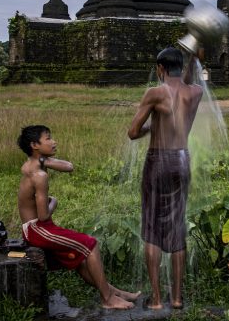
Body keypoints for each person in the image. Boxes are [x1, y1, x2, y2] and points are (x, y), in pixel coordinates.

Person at [17, 125, 140, 310]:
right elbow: (43, 216)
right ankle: (107, 299)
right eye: (48, 138)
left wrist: (45, 159)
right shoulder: (39, 175)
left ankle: (116, 293)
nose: (54, 141)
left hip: (36, 227)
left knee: (80, 259)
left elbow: (69, 167)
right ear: (35, 145)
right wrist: (54, 202)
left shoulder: (34, 164)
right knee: (90, 244)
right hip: (38, 229)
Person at [127, 47, 203, 310]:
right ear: (179, 68)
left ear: (160, 68)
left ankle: (157, 300)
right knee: (177, 227)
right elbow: (190, 80)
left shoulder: (155, 93)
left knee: (152, 229)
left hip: (158, 161)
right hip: (182, 161)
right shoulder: (195, 92)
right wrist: (193, 59)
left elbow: (133, 132)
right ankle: (178, 298)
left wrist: (152, 126)